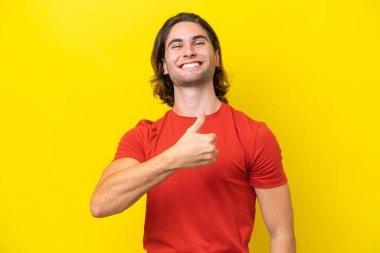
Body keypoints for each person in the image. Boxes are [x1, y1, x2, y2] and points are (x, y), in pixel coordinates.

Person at [90, 12, 296, 253]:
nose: (188, 51)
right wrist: (174, 158)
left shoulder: (254, 134)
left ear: (216, 57)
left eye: (199, 42)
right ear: (164, 65)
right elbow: (100, 204)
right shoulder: (144, 136)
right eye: (177, 45)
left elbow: (281, 233)